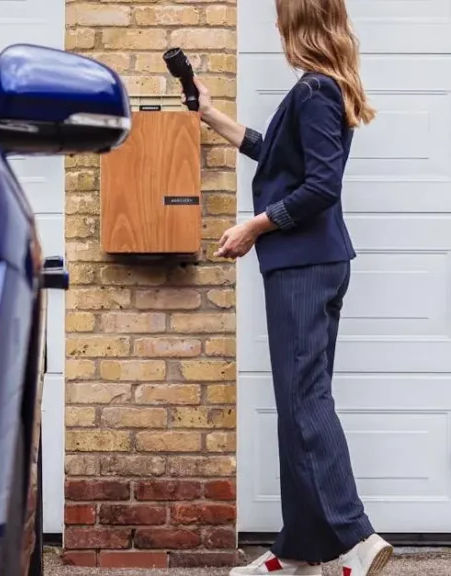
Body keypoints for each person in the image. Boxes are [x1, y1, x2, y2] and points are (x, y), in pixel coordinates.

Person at [187, 0, 395, 575]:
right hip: (315, 262)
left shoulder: (313, 90)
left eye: (280, 15)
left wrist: (255, 226)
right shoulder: (320, 90)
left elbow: (322, 186)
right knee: (298, 403)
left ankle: (357, 536)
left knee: (305, 402)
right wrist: (211, 115)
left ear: (296, 24)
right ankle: (299, 550)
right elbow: (276, 153)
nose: (274, 25)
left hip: (304, 265)